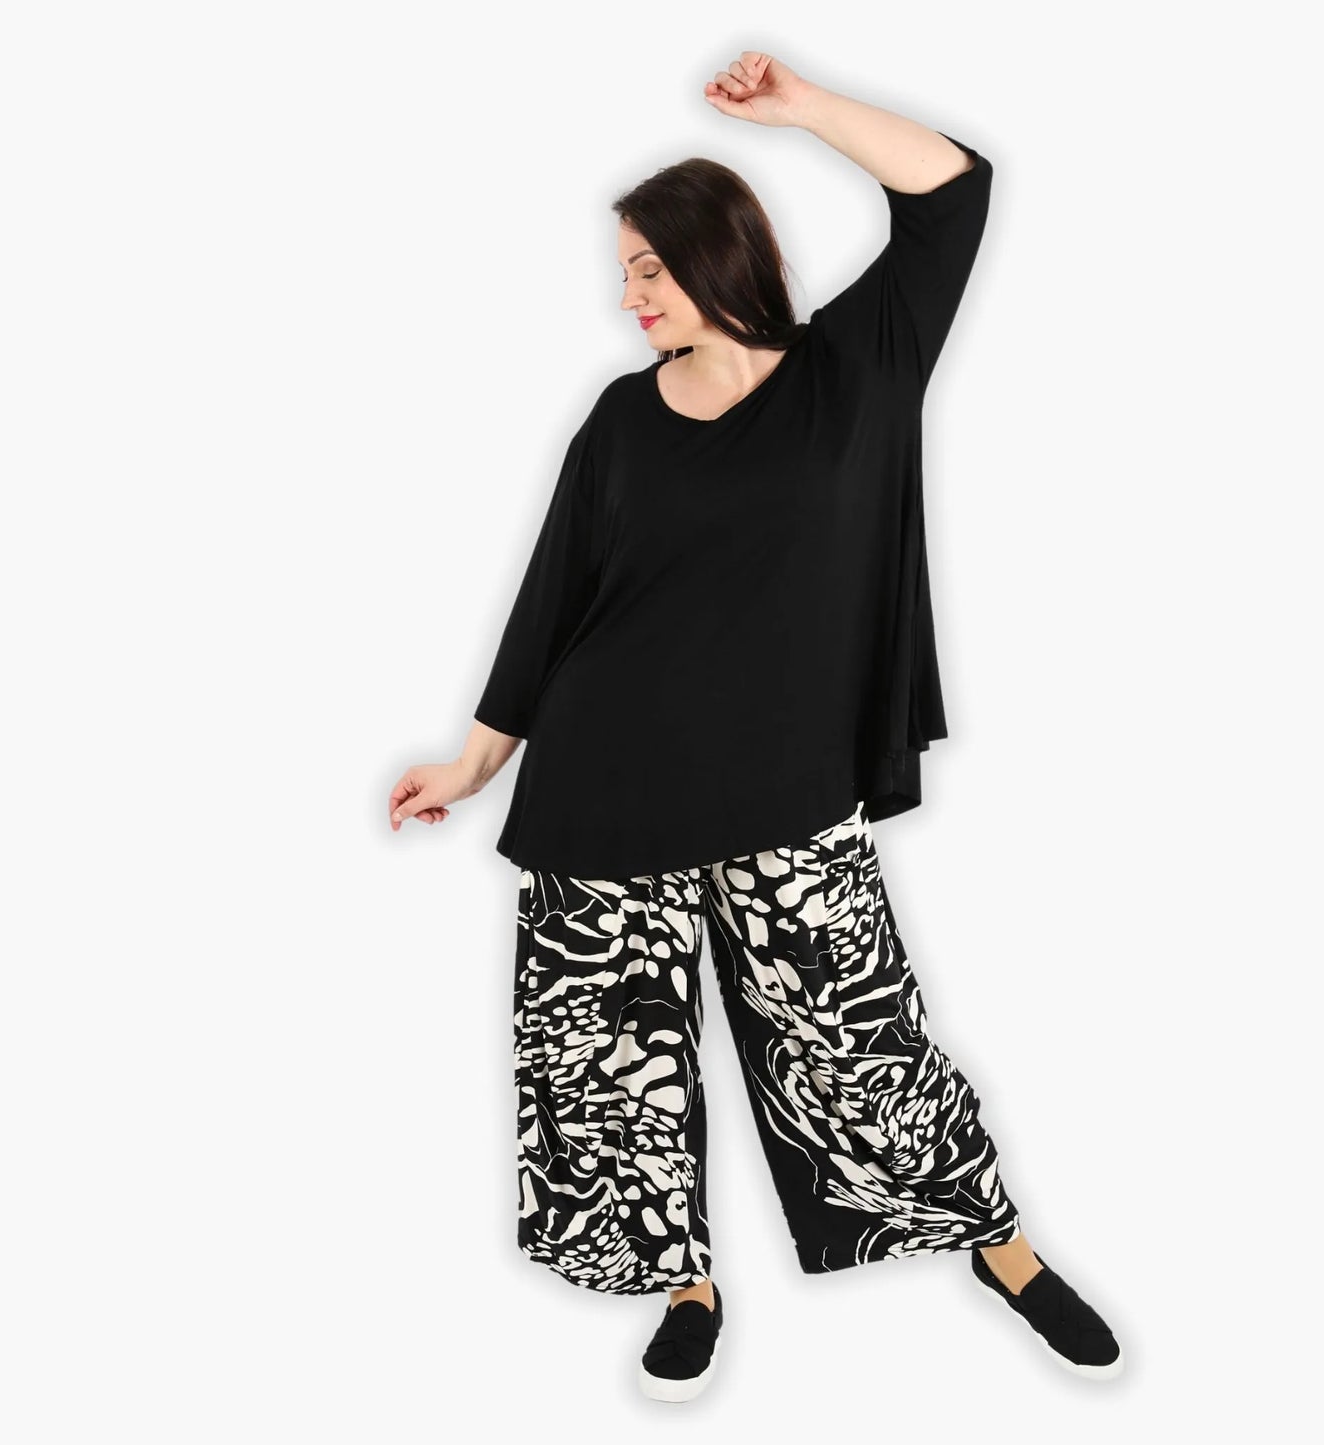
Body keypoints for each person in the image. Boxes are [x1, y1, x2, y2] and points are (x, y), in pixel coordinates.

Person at [389, 51, 1124, 1402]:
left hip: (786, 790)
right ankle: (685, 1282)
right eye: (622, 272)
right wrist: (476, 759)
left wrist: (803, 111)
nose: (627, 296)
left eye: (645, 270)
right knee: (611, 1081)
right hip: (604, 795)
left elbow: (956, 194)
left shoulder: (856, 367)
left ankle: (1002, 1248)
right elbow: (552, 603)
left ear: (715, 256)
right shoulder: (621, 419)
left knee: (864, 1046)